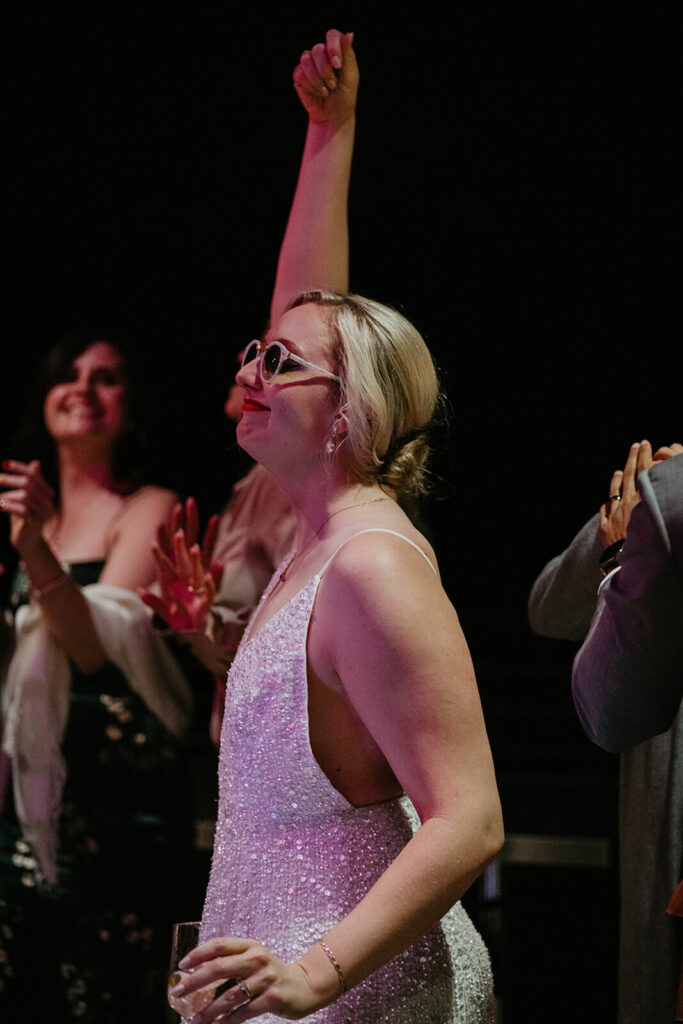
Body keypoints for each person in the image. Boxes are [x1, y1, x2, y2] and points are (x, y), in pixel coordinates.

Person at [168, 31, 503, 1024]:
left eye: (275, 365)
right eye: (252, 355)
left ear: (348, 415)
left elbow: (471, 819)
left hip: (356, 994)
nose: (248, 373)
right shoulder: (307, 533)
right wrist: (325, 136)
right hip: (274, 987)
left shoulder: (372, 565)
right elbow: (308, 314)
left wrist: (315, 973)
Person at [0, 330, 195, 1021]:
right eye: (67, 374)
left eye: (106, 377)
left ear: (132, 409)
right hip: (22, 802)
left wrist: (33, 552)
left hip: (117, 802)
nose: (82, 387)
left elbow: (94, 655)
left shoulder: (148, 508)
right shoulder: (20, 520)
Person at [528, 439, 683, 1024]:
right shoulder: (667, 496)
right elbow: (548, 609)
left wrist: (630, 549)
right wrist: (629, 520)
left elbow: (610, 713)